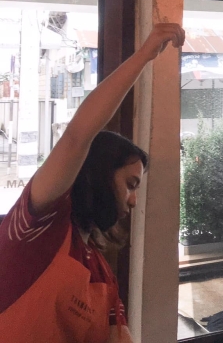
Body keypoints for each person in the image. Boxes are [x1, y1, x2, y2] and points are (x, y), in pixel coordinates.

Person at [0, 23, 185, 343]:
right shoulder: (39, 224)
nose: (133, 200)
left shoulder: (101, 274)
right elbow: (78, 136)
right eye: (130, 184)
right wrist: (143, 56)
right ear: (98, 173)